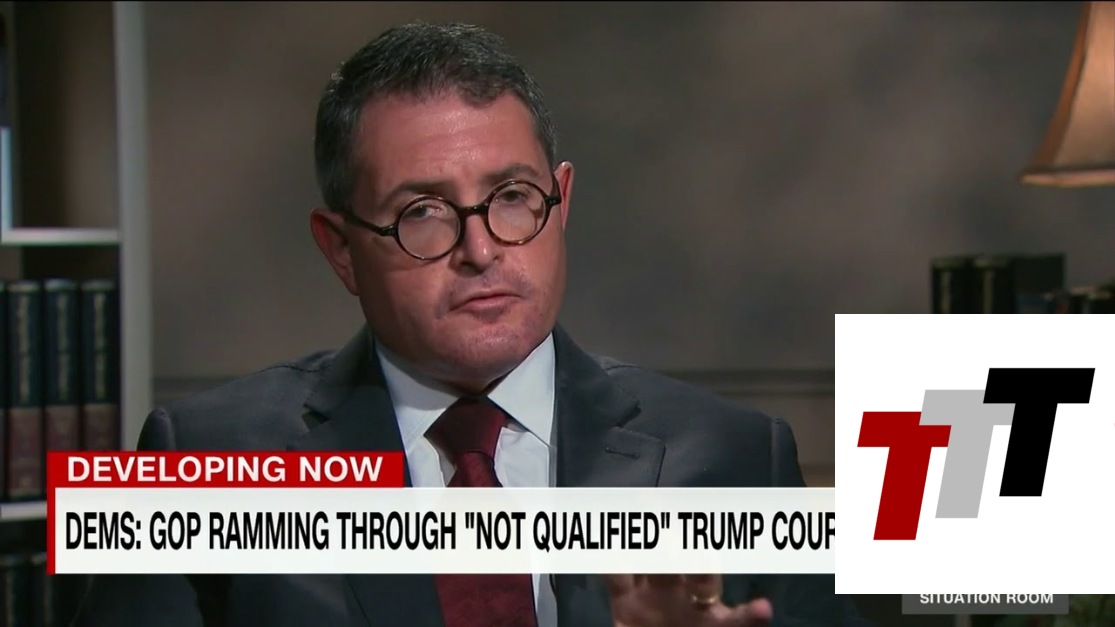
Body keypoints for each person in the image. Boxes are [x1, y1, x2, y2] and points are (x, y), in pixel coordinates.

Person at [74, 21, 869, 627]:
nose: (481, 249)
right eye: (422, 212)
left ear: (561, 201)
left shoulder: (737, 457)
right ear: (341, 249)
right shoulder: (197, 460)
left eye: (513, 198)